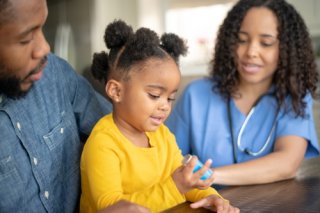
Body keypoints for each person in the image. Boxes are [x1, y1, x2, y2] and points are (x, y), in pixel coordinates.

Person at [0, 0, 149, 212]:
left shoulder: (55, 74)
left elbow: (126, 135)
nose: (45, 48)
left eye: (42, 26)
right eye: (25, 39)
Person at [79, 20, 239, 213]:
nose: (164, 106)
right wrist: (176, 187)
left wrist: (211, 197)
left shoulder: (162, 135)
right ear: (116, 91)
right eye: (154, 95)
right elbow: (111, 207)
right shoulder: (103, 143)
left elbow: (184, 183)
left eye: (170, 98)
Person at [166, 0, 320, 186]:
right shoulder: (196, 95)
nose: (251, 52)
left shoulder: (294, 97)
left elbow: (287, 163)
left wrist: (208, 176)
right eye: (242, 40)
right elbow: (166, 160)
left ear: (287, 49)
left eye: (266, 43)